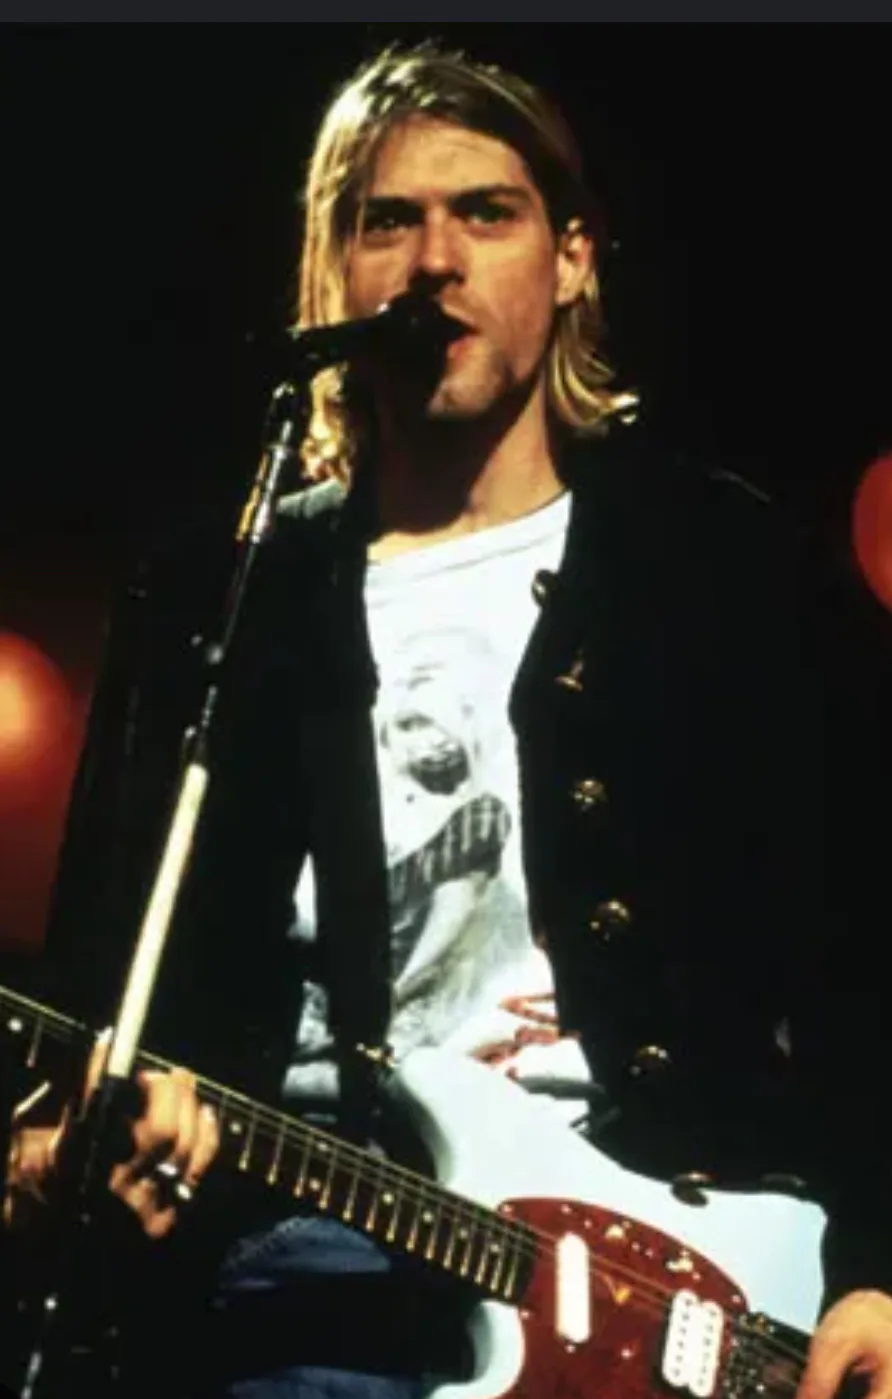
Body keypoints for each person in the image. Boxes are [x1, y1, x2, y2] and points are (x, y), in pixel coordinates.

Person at [5, 37, 892, 1399]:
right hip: (322, 1267)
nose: (435, 261)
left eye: (487, 212)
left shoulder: (724, 571)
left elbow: (865, 952)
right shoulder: (220, 598)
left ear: (573, 258)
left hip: (692, 1270)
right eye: (388, 222)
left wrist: (877, 1262)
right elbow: (96, 1008)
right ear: (334, 271)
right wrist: (82, 1146)